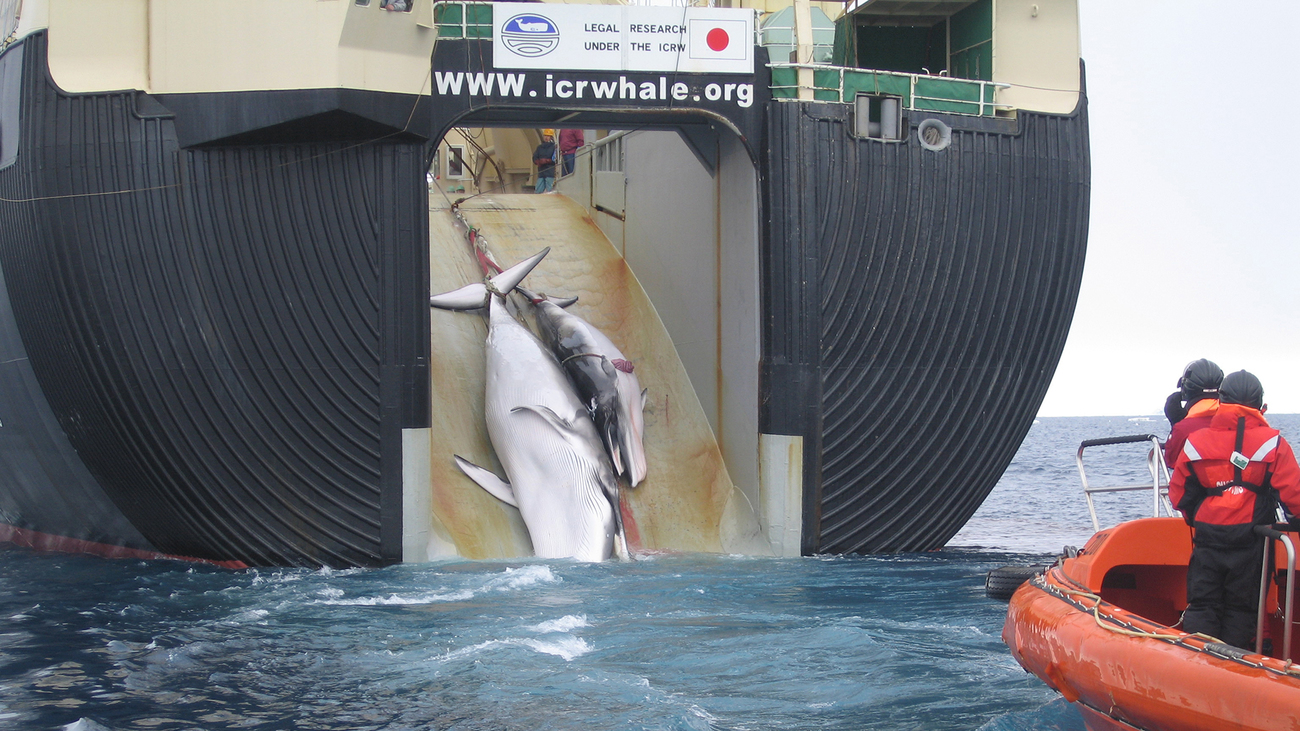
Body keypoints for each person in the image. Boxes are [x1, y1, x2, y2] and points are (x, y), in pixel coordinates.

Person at [1167, 370, 1300, 649]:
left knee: (1203, 604)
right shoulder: (1273, 442)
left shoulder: (1197, 442)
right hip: (1252, 540)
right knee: (1241, 609)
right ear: (1259, 403)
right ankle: (1231, 671)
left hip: (1208, 538)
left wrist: (1199, 517)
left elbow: (1179, 495)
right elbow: (1294, 496)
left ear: (1222, 400)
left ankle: (1195, 666)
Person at [1163, 358, 1223, 468]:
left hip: (1196, 484)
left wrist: (1176, 424)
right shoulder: (1239, 421)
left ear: (1185, 390)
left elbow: (1171, 461)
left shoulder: (1183, 429)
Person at [533, 129, 557, 194]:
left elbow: (555, 159)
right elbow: (534, 157)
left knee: (550, 191)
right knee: (538, 191)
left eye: (548, 136)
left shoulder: (554, 147)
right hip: (541, 172)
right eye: (545, 136)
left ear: (551, 137)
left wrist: (547, 161)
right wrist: (538, 162)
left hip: (550, 172)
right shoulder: (539, 147)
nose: (546, 137)